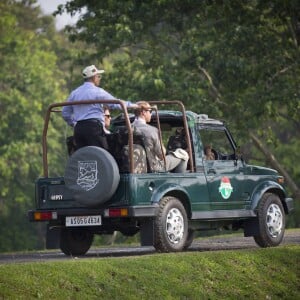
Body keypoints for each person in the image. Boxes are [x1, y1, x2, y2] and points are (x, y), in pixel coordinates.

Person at [62, 64, 135, 150]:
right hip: (94, 128)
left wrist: (74, 124)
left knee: (83, 156)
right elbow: (115, 103)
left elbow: (65, 113)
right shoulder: (98, 92)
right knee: (102, 155)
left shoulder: (74, 93)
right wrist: (133, 105)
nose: (99, 79)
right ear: (94, 77)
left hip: (79, 129)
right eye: (98, 76)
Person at [132, 101, 189, 172]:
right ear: (143, 112)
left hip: (134, 166)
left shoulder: (126, 129)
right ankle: (180, 181)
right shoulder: (152, 131)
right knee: (183, 154)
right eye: (150, 111)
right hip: (154, 167)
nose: (151, 114)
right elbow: (161, 155)